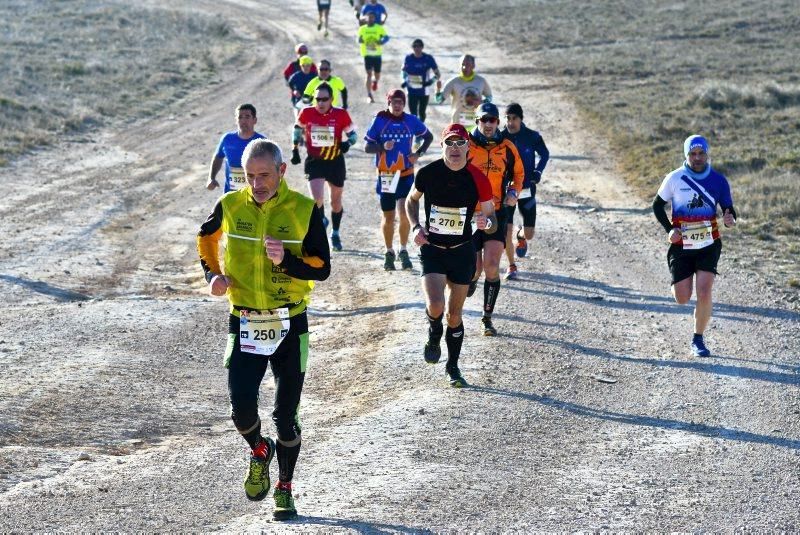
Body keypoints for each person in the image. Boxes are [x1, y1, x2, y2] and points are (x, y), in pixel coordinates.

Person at [196, 138, 331, 520]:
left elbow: (322, 267)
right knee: (240, 409)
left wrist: (288, 260)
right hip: (244, 320)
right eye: (249, 176)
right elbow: (205, 238)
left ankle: (285, 487)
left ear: (282, 171)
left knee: (285, 417)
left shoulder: (304, 209)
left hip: (290, 323)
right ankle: (260, 449)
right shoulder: (229, 204)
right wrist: (213, 274)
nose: (256, 184)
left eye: (264, 176)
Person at [406, 123, 496, 387]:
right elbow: (412, 200)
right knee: (436, 306)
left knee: (454, 316)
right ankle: (434, 333)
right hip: (433, 249)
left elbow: (491, 218)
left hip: (462, 252)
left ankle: (453, 366)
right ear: (442, 145)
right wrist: (415, 226)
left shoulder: (478, 178)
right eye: (450, 143)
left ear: (469, 147)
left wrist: (486, 224)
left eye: (460, 143)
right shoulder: (427, 173)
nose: (455, 148)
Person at [652, 135, 736, 357]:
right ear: (686, 155)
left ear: (708, 154)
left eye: (701, 153)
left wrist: (730, 218)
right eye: (692, 154)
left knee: (704, 290)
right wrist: (670, 229)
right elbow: (657, 205)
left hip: (709, 243)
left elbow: (729, 208)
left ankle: (698, 339)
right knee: (682, 297)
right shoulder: (675, 178)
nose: (697, 158)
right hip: (682, 244)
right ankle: (678, 280)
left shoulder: (719, 181)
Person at [466, 102, 523, 336]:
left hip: (495, 213)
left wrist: (513, 192)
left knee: (491, 266)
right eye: (484, 120)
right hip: (469, 214)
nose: (488, 124)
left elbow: (518, 174)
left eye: (493, 120)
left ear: (498, 123)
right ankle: (470, 278)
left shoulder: (507, 147)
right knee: (474, 269)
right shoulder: (466, 145)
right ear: (477, 121)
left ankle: (486, 318)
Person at [364, 89, 433, 271]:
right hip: (386, 175)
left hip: (405, 175)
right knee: (389, 217)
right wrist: (381, 146)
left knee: (404, 214)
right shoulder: (380, 120)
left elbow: (428, 137)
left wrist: (418, 153)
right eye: (394, 102)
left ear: (404, 104)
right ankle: (389, 251)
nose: (397, 106)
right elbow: (367, 147)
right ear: (388, 103)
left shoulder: (411, 120)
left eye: (400, 103)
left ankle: (403, 249)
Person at [292, 82, 358, 252]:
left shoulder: (341, 114)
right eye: (317, 99)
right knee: (316, 199)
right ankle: (321, 221)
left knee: (335, 202)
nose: (320, 103)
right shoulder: (306, 112)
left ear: (331, 99)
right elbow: (297, 129)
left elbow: (354, 135)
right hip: (315, 161)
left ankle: (335, 233)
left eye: (324, 99)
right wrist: (295, 150)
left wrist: (347, 144)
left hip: (335, 162)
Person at [500, 102, 550, 280]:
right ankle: (511, 266)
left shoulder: (532, 136)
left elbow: (545, 153)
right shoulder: (500, 136)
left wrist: (537, 171)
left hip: (527, 188)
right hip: (506, 190)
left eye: (514, 118)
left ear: (521, 119)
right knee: (506, 229)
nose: (510, 122)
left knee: (530, 233)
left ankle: (520, 235)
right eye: (508, 118)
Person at [207, 104, 266, 192]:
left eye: (247, 117)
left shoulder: (262, 142)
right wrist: (211, 178)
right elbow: (218, 157)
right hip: (231, 195)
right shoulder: (227, 139)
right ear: (236, 120)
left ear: (255, 120)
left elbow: (271, 166)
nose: (243, 120)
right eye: (240, 117)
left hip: (255, 195)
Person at [436, 54, 492, 126]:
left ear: (473, 66)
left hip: (477, 125)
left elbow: (490, 97)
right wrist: (438, 89)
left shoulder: (481, 81)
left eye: (468, 64)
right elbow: (439, 100)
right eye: (463, 64)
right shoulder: (453, 82)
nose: (465, 67)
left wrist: (482, 103)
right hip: (458, 125)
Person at [401, 39, 442, 123]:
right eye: (415, 46)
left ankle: (420, 129)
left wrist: (431, 81)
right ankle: (417, 132)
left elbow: (438, 74)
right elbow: (403, 71)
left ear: (422, 47)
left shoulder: (428, 58)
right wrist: (404, 80)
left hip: (424, 91)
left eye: (419, 46)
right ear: (412, 48)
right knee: (413, 113)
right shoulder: (408, 58)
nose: (417, 48)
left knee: (422, 113)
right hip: (411, 90)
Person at [357, 11, 389, 103]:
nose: (370, 19)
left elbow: (386, 37)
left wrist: (381, 41)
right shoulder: (362, 29)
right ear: (366, 18)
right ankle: (369, 95)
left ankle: (375, 81)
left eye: (372, 17)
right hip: (367, 55)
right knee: (368, 74)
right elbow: (358, 39)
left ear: (374, 19)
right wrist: (360, 40)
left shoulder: (379, 28)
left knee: (377, 75)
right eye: (369, 17)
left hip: (377, 55)